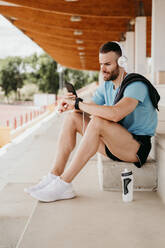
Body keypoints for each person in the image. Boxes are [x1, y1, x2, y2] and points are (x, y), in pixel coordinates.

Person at [24, 41, 159, 202]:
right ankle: (54, 176)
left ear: (121, 62)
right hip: (114, 144)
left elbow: (116, 114)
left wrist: (79, 104)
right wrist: (71, 104)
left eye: (108, 64)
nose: (103, 69)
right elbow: (88, 108)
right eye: (101, 64)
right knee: (73, 118)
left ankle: (64, 183)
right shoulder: (107, 87)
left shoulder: (136, 84)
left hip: (135, 148)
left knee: (98, 122)